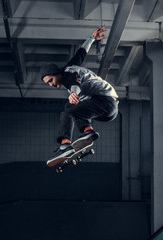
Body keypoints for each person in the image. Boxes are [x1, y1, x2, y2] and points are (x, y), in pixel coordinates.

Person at [40, 26, 119, 167]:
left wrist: (74, 93)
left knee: (68, 111)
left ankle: (65, 145)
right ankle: (88, 131)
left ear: (56, 73)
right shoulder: (70, 67)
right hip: (108, 109)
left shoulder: (68, 74)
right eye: (48, 84)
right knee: (70, 106)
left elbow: (74, 82)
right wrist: (92, 38)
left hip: (105, 102)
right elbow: (81, 54)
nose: (51, 85)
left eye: (51, 80)